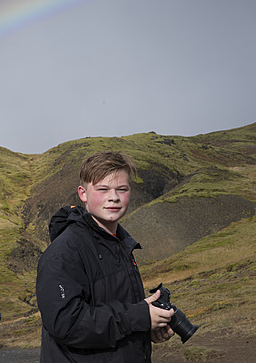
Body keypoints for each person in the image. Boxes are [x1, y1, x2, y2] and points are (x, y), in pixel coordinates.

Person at [36, 151, 175, 362]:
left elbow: (114, 321)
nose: (114, 197)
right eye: (103, 189)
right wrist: (136, 317)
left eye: (122, 189)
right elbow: (66, 324)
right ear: (83, 194)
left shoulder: (119, 245)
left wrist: (145, 326)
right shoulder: (63, 252)